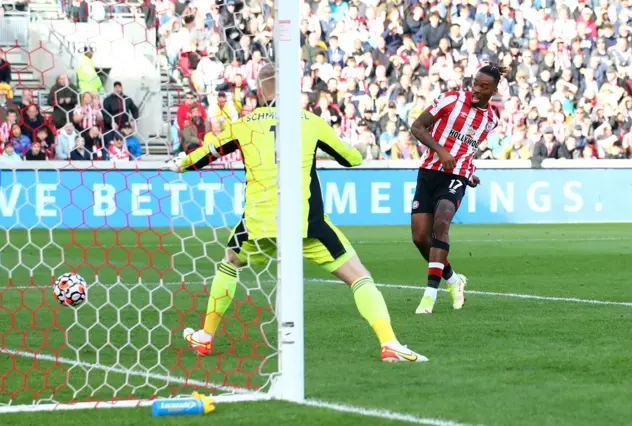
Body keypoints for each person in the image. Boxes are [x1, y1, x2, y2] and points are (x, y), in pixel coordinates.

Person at [165, 64, 427, 363]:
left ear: (260, 91)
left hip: (259, 221)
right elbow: (351, 159)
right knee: (359, 276)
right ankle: (389, 343)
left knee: (230, 263)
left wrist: (180, 163)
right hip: (305, 221)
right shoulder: (310, 122)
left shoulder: (245, 124)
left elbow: (206, 154)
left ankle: (205, 337)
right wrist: (357, 147)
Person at [409, 64, 503, 315]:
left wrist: (469, 173)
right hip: (429, 171)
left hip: (456, 176)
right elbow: (417, 127)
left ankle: (429, 296)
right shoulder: (450, 100)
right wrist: (440, 150)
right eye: (475, 83)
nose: (477, 90)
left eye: (484, 87)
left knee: (442, 220)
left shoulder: (491, 120)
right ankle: (453, 279)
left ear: (494, 90)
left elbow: (467, 151)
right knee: (420, 238)